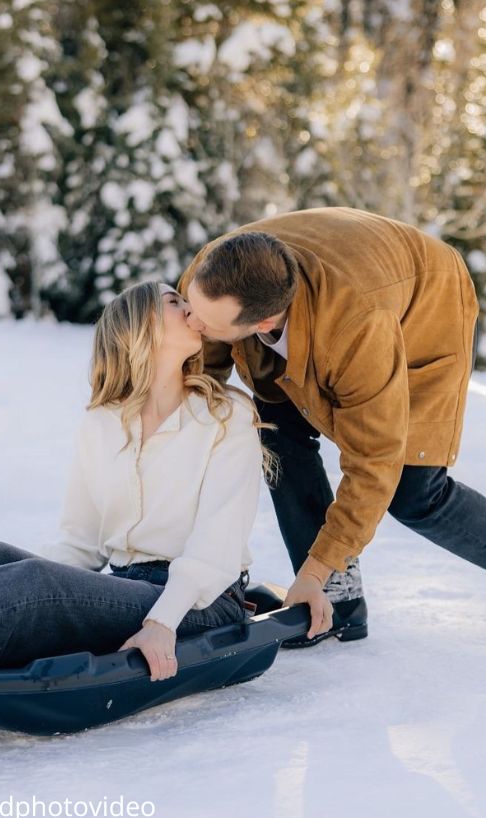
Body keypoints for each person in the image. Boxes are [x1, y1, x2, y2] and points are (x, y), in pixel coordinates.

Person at [0, 281, 292, 707]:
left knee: (37, 582)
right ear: (138, 326)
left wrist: (161, 622)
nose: (191, 311)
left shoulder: (226, 414)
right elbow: (80, 543)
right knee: (1, 557)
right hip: (128, 586)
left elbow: (217, 548)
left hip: (202, 601)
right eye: (175, 302)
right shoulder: (103, 422)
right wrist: (28, 590)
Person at [178, 206, 482, 646]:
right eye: (191, 308)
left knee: (414, 492)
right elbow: (198, 374)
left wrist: (320, 566)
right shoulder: (212, 275)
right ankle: (336, 603)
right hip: (342, 274)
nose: (192, 323)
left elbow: (374, 459)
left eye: (206, 323)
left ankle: (324, 581)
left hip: (425, 300)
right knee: (274, 430)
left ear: (261, 323)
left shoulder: (357, 327)